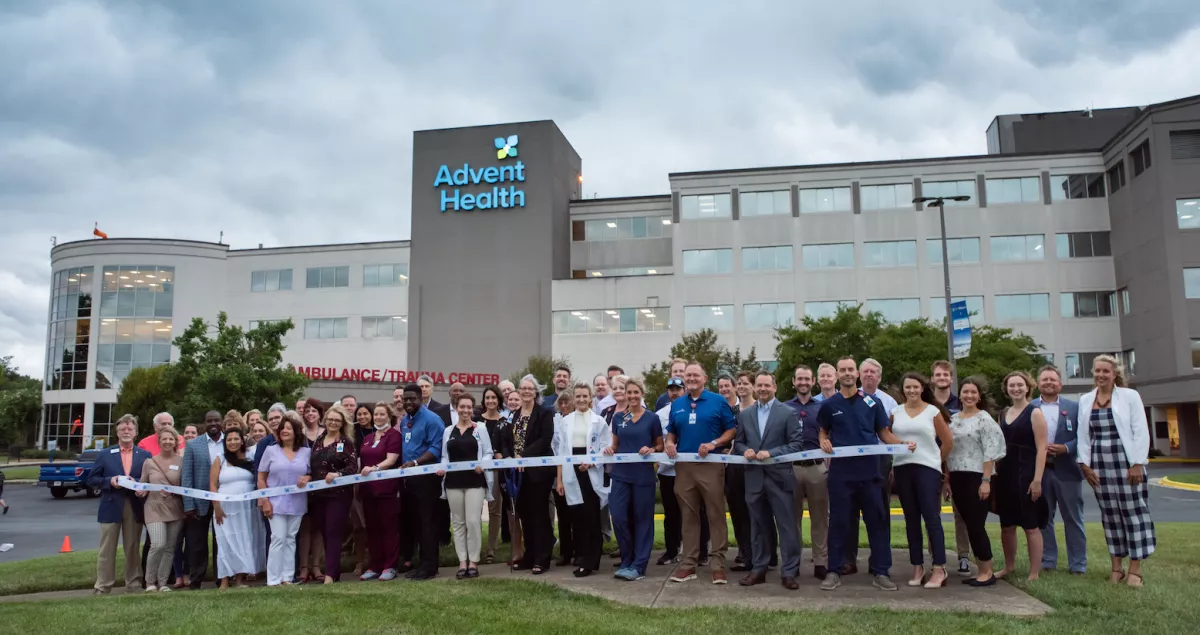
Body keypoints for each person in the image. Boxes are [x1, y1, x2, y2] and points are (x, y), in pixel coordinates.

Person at [819, 357, 913, 592]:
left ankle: (881, 571)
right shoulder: (830, 405)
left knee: (877, 523)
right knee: (839, 524)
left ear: (857, 374)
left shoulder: (872, 403)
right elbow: (823, 432)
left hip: (871, 474)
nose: (848, 373)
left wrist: (901, 444)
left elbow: (884, 433)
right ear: (838, 375)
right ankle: (834, 571)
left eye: (851, 369)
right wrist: (824, 442)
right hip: (841, 475)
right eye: (843, 370)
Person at [1077, 355, 1154, 587]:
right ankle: (1116, 567)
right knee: (1110, 515)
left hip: (1126, 461)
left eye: (1105, 371)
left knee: (1133, 513)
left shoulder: (1129, 397)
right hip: (1099, 462)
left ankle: (1135, 569)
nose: (1101, 375)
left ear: (1114, 374)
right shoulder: (1086, 399)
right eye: (1097, 371)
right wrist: (1084, 464)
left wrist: (1138, 463)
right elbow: (1083, 434)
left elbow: (1140, 429)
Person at [665, 361, 737, 585]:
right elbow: (671, 432)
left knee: (715, 515)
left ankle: (717, 565)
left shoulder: (717, 401)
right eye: (688, 375)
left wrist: (714, 443)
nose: (692, 378)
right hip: (684, 468)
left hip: (711, 465)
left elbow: (732, 429)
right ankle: (688, 564)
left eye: (696, 375)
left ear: (705, 378)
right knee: (688, 516)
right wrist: (669, 443)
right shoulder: (677, 404)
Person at [733, 372, 804, 589]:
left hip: (780, 478)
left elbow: (797, 444)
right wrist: (745, 451)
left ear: (775, 387)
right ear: (755, 388)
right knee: (758, 526)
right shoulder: (745, 415)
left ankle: (789, 572)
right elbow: (739, 442)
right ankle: (759, 570)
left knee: (787, 527)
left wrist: (771, 453)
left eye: (767, 385)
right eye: (760, 385)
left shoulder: (788, 413)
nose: (763, 389)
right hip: (754, 479)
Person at [890, 373, 953, 589]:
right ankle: (917, 566)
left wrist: (936, 461)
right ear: (903, 389)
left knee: (931, 518)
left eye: (915, 387)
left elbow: (947, 441)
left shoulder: (933, 411)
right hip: (902, 468)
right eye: (907, 387)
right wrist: (898, 444)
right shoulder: (895, 412)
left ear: (922, 388)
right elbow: (886, 436)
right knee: (911, 519)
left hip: (927, 469)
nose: (911, 391)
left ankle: (939, 567)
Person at [946, 377, 1006, 587]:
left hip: (978, 476)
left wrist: (986, 480)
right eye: (965, 392)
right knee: (969, 525)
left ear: (979, 396)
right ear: (960, 394)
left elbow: (991, 452)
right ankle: (980, 569)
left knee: (976, 525)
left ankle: (987, 571)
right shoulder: (953, 420)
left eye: (973, 392)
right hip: (957, 476)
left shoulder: (984, 419)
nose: (969, 395)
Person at [842, 357, 897, 574]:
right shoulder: (848, 398)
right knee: (849, 511)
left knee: (879, 512)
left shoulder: (889, 402)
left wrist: (894, 461)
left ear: (879, 376)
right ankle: (848, 560)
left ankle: (879, 561)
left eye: (873, 372)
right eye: (864, 371)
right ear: (858, 375)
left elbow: (889, 434)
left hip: (879, 461)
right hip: (851, 460)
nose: (868, 375)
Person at [995, 370, 1050, 581]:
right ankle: (1009, 567)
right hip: (1005, 473)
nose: (1016, 389)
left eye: (1020, 385)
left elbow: (1042, 448)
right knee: (1007, 525)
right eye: (1011, 385)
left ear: (1028, 387)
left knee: (1030, 525)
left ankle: (1034, 572)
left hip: (1026, 472)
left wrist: (1037, 480)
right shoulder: (1003, 413)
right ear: (1006, 389)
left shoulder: (1035, 412)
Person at [606, 378, 663, 581]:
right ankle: (627, 559)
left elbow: (660, 446)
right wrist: (609, 449)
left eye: (635, 392)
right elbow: (615, 444)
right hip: (621, 475)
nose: (631, 396)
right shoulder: (620, 417)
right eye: (629, 392)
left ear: (642, 394)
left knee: (642, 520)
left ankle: (639, 565)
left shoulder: (651, 418)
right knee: (619, 516)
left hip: (643, 476)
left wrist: (651, 449)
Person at [1033, 365, 1086, 575]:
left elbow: (1083, 437)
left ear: (1060, 384)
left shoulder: (1075, 408)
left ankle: (1078, 564)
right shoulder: (1030, 407)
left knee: (1073, 518)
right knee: (1044, 518)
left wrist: (1066, 448)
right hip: (1041, 472)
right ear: (1038, 384)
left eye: (1052, 380)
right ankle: (1048, 560)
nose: (1048, 383)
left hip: (1068, 470)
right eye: (1044, 379)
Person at [89, 414, 150, 595]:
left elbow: (150, 479)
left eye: (130, 428)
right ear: (117, 432)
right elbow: (92, 479)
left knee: (132, 546)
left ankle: (133, 584)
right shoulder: (105, 454)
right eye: (122, 428)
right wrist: (110, 481)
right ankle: (103, 586)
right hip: (110, 506)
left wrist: (138, 483)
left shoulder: (145, 456)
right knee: (107, 548)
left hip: (134, 505)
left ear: (135, 433)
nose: (126, 431)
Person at [501, 374, 557, 574]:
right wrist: (509, 457)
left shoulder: (545, 413)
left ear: (536, 392)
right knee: (524, 515)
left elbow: (545, 439)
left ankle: (542, 558)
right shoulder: (514, 415)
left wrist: (523, 456)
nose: (526, 391)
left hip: (539, 473)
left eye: (529, 388)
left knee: (539, 515)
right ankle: (530, 555)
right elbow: (507, 440)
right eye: (522, 388)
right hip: (519, 475)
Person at [554, 383, 610, 577]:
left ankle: (591, 560)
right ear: (573, 399)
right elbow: (561, 451)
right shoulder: (566, 421)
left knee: (592, 517)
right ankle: (581, 556)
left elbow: (605, 447)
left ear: (591, 398)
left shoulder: (598, 421)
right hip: (571, 471)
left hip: (590, 471)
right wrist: (559, 480)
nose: (581, 400)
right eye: (577, 396)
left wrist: (592, 463)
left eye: (585, 396)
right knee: (577, 517)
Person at [439, 394, 494, 579]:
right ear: (456, 408)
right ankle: (462, 562)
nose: (466, 410)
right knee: (459, 523)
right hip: (453, 482)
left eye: (469, 407)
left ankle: (474, 562)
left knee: (472, 521)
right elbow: (444, 456)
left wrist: (482, 464)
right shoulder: (448, 431)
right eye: (462, 407)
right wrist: (443, 469)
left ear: (473, 409)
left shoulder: (480, 429)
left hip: (474, 481)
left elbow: (488, 452)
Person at [655, 377, 709, 566]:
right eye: (671, 389)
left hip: (691, 470)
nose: (675, 392)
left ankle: (702, 551)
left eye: (678, 388)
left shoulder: (693, 408)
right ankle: (671, 551)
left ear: (685, 389)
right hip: (668, 471)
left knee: (697, 511)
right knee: (671, 514)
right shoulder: (660, 414)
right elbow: (659, 441)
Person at [783, 365, 829, 580]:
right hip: (791, 468)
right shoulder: (784, 408)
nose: (803, 382)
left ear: (813, 382)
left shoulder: (823, 407)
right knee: (792, 519)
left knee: (820, 517)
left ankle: (821, 561)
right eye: (799, 379)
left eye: (807, 379)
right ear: (793, 382)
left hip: (816, 467)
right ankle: (793, 562)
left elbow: (830, 435)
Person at [257, 412, 311, 586]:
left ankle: (287, 577)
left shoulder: (306, 452)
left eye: (288, 428)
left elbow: (311, 473)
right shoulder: (270, 450)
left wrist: (307, 478)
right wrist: (264, 500)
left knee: (290, 538)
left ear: (296, 432)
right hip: (275, 502)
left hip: (297, 502)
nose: (284, 431)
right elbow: (261, 477)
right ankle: (273, 579)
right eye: (282, 428)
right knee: (278, 538)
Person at [398, 383, 445, 580]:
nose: (408, 402)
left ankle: (430, 567)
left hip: (426, 480)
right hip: (408, 481)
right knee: (415, 524)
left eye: (412, 399)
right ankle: (420, 563)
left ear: (421, 398)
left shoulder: (432, 420)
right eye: (405, 399)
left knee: (427, 524)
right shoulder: (404, 420)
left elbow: (436, 448)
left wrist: (416, 462)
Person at [309, 404, 359, 584]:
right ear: (325, 420)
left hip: (338, 494)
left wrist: (338, 475)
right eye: (330, 419)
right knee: (324, 531)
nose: (333, 422)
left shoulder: (346, 442)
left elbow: (353, 467)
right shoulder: (319, 440)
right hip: (318, 495)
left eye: (337, 420)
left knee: (333, 531)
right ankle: (334, 571)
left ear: (342, 423)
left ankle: (329, 575)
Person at [210, 428, 265, 588]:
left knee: (244, 540)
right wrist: (217, 506)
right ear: (225, 442)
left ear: (242, 440)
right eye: (229, 439)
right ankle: (225, 580)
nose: (233, 442)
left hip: (247, 508)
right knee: (226, 541)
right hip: (225, 507)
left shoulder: (251, 457)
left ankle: (240, 579)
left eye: (236, 439)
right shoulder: (219, 459)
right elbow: (213, 485)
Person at [931, 360, 970, 575]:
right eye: (938, 375)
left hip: (958, 463)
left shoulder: (961, 402)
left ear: (951, 378)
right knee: (932, 512)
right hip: (933, 462)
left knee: (961, 513)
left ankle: (963, 556)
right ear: (932, 378)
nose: (942, 378)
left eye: (946, 375)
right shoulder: (926, 403)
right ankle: (935, 557)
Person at [359, 402, 402, 581]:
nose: (378, 417)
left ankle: (389, 566)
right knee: (372, 528)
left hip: (387, 490)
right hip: (368, 490)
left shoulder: (394, 435)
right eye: (375, 414)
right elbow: (361, 460)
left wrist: (375, 468)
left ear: (389, 415)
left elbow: (391, 460)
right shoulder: (368, 437)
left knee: (389, 528)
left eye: (381, 414)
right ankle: (375, 565)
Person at [137, 427, 184, 592]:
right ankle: (150, 582)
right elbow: (143, 484)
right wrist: (139, 490)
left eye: (171, 439)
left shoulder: (181, 461)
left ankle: (163, 583)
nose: (167, 442)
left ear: (175, 442)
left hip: (175, 508)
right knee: (157, 544)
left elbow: (185, 486)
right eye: (164, 439)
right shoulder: (149, 462)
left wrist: (175, 489)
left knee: (170, 547)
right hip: (154, 507)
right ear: (159, 442)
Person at [180, 410, 223, 590]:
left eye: (216, 420)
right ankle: (196, 579)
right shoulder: (193, 445)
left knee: (221, 541)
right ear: (204, 423)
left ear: (221, 422)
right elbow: (187, 476)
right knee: (197, 544)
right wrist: (188, 504)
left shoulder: (230, 441)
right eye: (209, 421)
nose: (213, 424)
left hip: (223, 501)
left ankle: (222, 577)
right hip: (199, 503)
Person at [723, 372, 756, 572]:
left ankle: (764, 554)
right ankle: (745, 553)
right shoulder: (731, 411)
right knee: (737, 511)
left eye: (746, 383)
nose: (742, 386)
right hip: (734, 467)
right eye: (740, 383)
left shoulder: (759, 409)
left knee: (758, 512)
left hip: (755, 465)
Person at [478, 386, 510, 564]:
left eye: (493, 398)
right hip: (477, 470)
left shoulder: (504, 422)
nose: (490, 401)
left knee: (495, 510)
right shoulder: (476, 420)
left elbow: (506, 446)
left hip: (496, 471)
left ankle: (491, 548)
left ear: (498, 400)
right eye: (487, 398)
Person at [298, 397, 325, 583]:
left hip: (324, 487)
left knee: (319, 528)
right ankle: (303, 568)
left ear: (319, 413)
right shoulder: (299, 434)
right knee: (305, 528)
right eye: (307, 410)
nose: (310, 413)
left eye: (313, 410)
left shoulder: (327, 432)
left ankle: (316, 566)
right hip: (304, 486)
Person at [497, 388, 526, 565]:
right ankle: (517, 552)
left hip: (524, 472)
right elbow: (496, 446)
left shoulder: (526, 421)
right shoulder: (502, 423)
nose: (514, 402)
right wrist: (501, 456)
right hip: (507, 473)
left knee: (526, 514)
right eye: (511, 399)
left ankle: (530, 549)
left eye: (517, 399)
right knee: (511, 514)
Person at [552, 389, 578, 567]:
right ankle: (565, 553)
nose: (563, 406)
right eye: (560, 403)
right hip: (558, 471)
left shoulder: (578, 419)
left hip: (576, 472)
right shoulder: (554, 420)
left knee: (577, 515)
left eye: (567, 402)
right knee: (562, 516)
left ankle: (579, 551)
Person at [349, 403, 375, 575]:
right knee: (358, 525)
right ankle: (359, 561)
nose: (362, 417)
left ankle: (373, 560)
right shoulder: (351, 432)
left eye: (365, 414)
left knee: (373, 523)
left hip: (374, 479)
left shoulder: (378, 432)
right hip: (355, 481)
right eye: (359, 414)